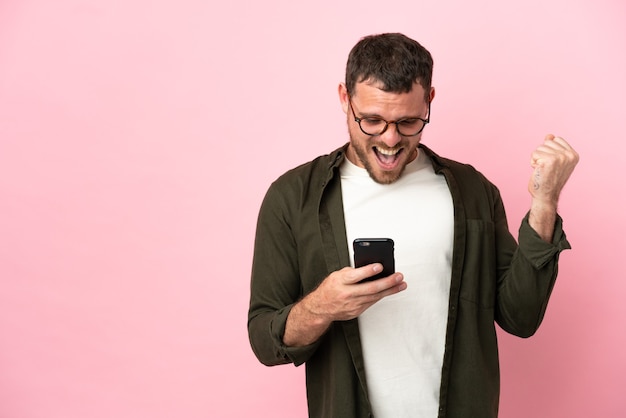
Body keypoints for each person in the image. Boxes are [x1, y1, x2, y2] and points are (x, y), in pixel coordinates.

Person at [247, 33, 579, 418]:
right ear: (344, 99)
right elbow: (264, 340)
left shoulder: (473, 191)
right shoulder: (293, 197)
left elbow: (520, 317)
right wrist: (321, 307)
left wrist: (545, 203)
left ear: (429, 102)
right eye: (371, 120)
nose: (389, 140)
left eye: (408, 122)